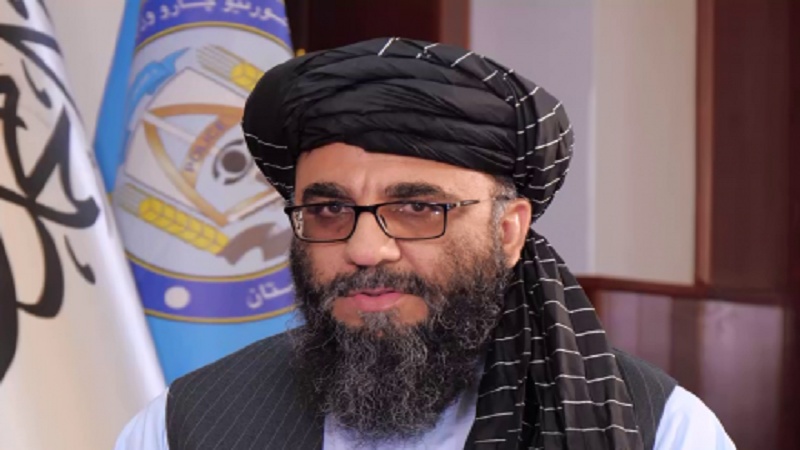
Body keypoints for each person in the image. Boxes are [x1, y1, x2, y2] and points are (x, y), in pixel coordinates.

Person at [115, 37, 735, 450]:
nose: (365, 249)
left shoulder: (658, 428)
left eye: (416, 208)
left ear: (509, 230)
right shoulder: (187, 425)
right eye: (329, 209)